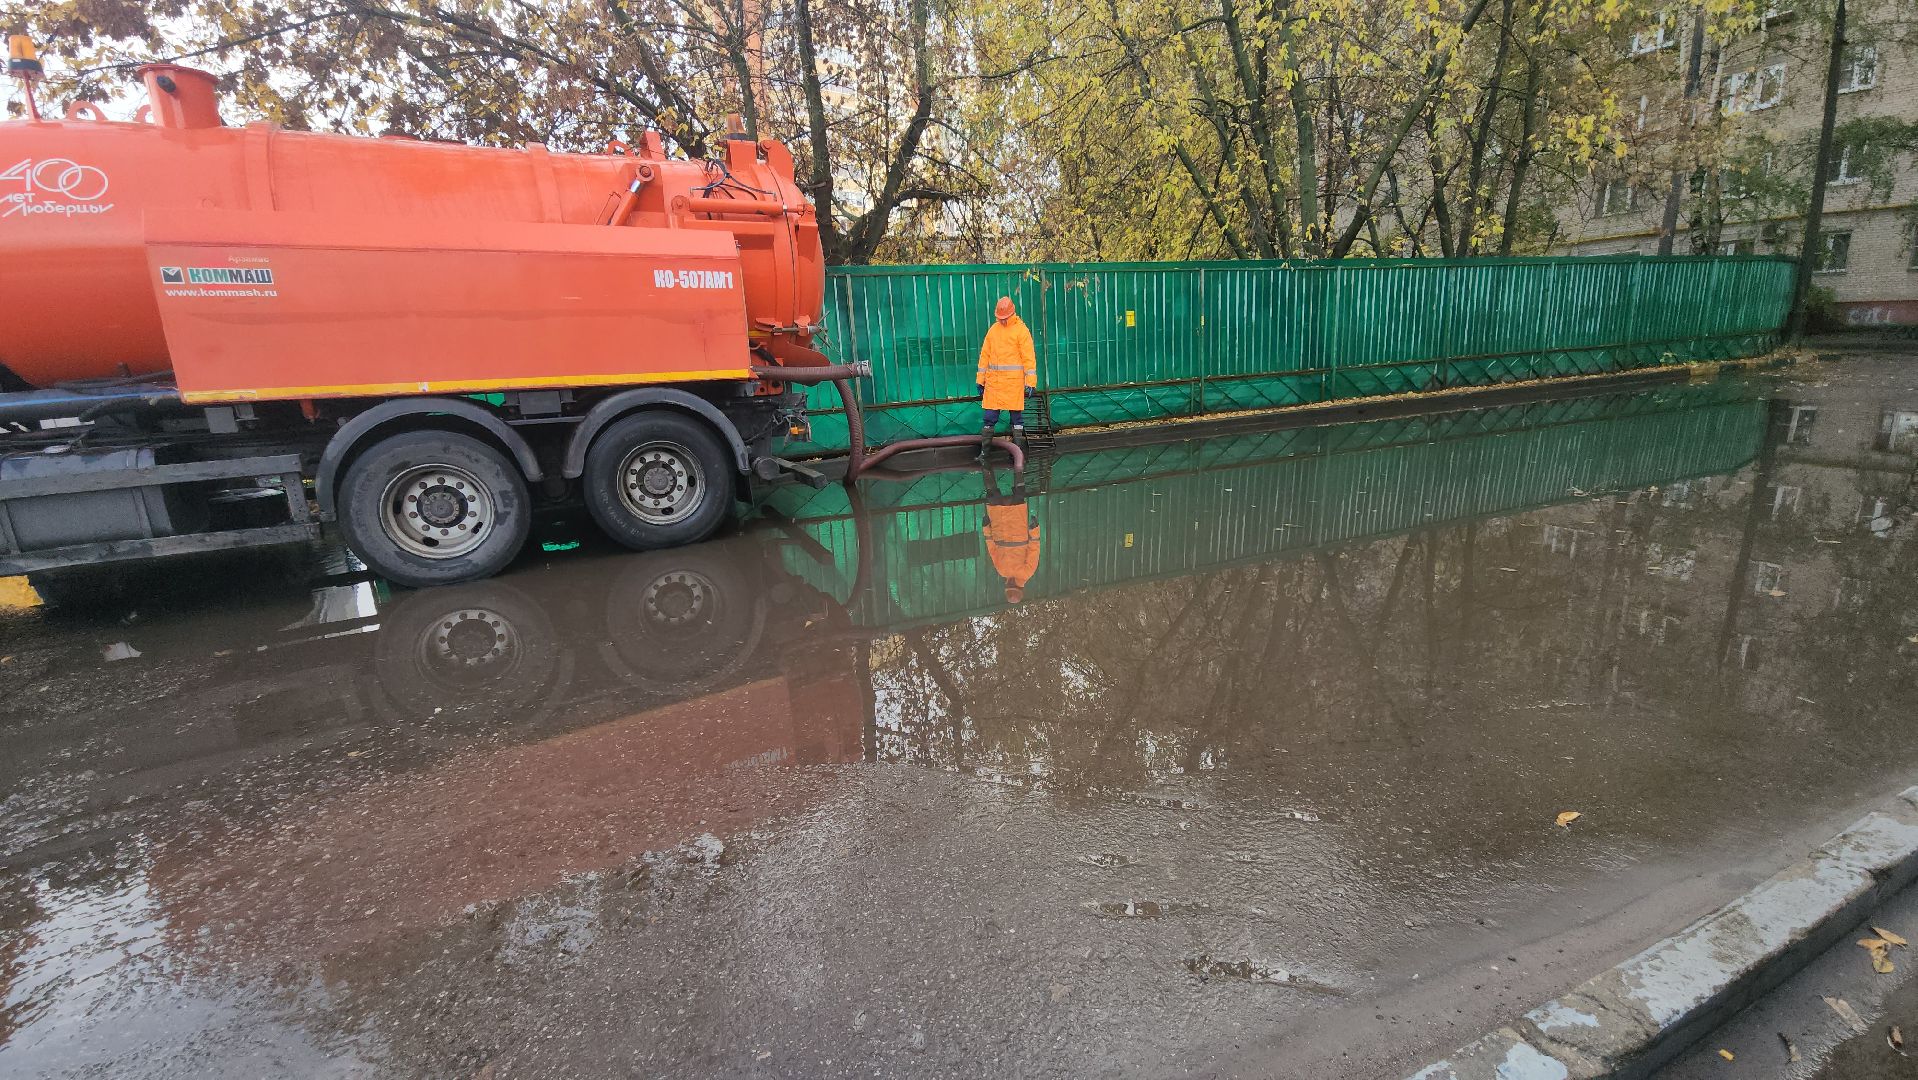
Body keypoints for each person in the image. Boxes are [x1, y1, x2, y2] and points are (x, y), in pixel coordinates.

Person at [975, 296, 1036, 459]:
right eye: (999, 318)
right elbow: (984, 356)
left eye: (1004, 318)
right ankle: (985, 453)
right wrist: (980, 380)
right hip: (994, 384)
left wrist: (1031, 382)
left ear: (1011, 314)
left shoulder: (1021, 331)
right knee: (989, 419)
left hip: (1012, 384)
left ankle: (1017, 454)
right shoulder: (993, 330)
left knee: (1016, 418)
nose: (1002, 320)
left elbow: (1028, 357)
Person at [981, 469, 1040, 604]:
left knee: (992, 495)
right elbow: (1034, 548)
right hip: (1016, 525)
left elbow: (992, 550)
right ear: (1018, 587)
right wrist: (1034, 529)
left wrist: (986, 529)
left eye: (1009, 586)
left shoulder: (1002, 571)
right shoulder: (1027, 572)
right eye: (1012, 586)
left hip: (999, 525)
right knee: (1019, 496)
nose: (1010, 584)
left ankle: (985, 464)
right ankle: (1017, 464)